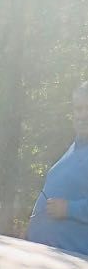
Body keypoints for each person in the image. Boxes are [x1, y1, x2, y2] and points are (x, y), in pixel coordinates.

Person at [27, 81, 88, 255]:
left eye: (87, 108)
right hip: (46, 255)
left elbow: (67, 207)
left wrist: (69, 209)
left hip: (72, 263)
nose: (82, 115)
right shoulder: (76, 147)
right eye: (78, 108)